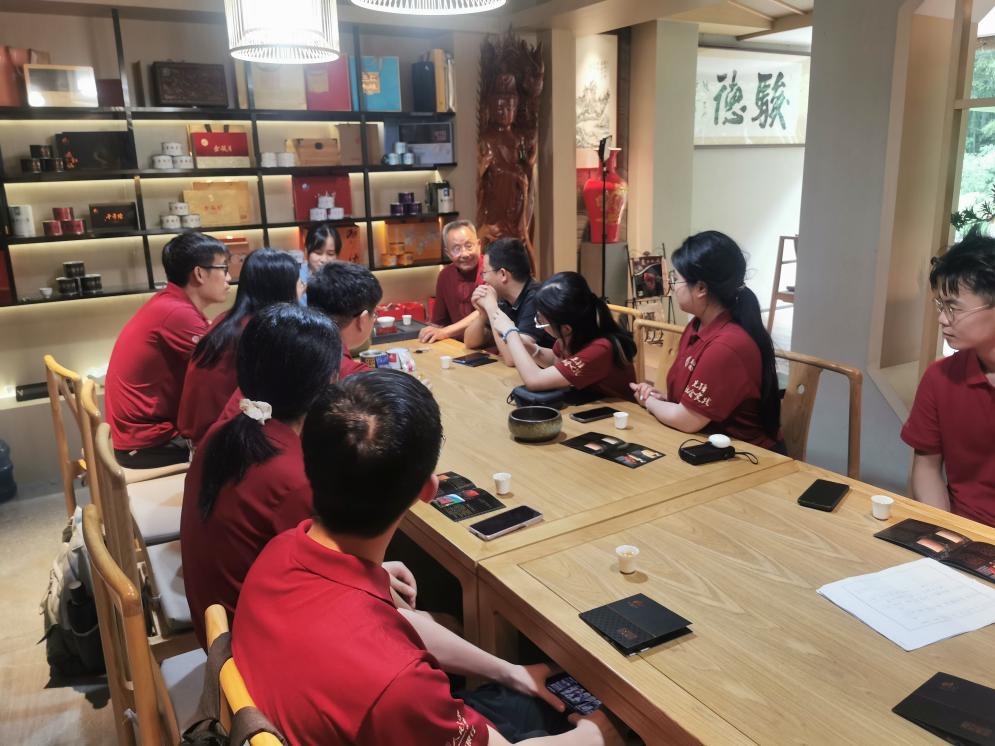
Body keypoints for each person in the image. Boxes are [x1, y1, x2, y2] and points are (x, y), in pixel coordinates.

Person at [233, 370, 625, 746]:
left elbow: (394, 626)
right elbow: (390, 665)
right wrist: (595, 737)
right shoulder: (398, 684)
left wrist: (511, 671)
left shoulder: (279, 551)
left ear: (309, 462)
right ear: (428, 490)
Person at [630, 231, 782, 451]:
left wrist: (649, 402)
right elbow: (690, 405)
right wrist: (659, 398)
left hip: (746, 456)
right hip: (702, 444)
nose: (673, 287)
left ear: (701, 288)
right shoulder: (697, 326)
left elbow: (687, 420)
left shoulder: (727, 345)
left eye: (676, 279)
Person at [104, 232, 229, 468]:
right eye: (223, 268)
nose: (229, 278)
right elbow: (226, 370)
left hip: (136, 435)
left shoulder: (169, 302)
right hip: (148, 444)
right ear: (199, 273)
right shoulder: (177, 313)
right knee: (247, 444)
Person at [902, 230, 995, 527]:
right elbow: (927, 467)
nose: (942, 319)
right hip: (962, 530)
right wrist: (945, 533)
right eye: (941, 306)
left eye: (953, 307)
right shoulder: (939, 378)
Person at [177, 249, 303, 447]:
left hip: (201, 437)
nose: (302, 286)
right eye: (297, 280)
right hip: (220, 444)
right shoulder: (262, 332)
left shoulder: (228, 320)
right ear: (282, 288)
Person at [486, 271, 637, 401]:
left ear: (566, 329)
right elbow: (556, 361)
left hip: (622, 417)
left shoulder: (601, 349)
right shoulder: (574, 334)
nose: (539, 321)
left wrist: (511, 333)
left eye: (542, 320)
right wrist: (531, 349)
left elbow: (534, 381)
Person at [464, 237, 554, 365]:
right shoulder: (503, 298)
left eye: (484, 272)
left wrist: (491, 308)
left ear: (503, 274)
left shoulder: (536, 299)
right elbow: (470, 342)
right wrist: (483, 314)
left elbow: (513, 358)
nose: (483, 279)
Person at [307, 261, 383, 379]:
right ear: (362, 320)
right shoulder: (357, 378)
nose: (374, 320)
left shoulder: (296, 346)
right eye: (374, 314)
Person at [418, 219, 482, 343]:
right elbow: (439, 322)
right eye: (456, 249)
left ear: (479, 245)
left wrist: (444, 332)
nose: (464, 254)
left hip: (490, 347)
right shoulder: (445, 276)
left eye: (469, 246)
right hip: (456, 346)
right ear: (448, 253)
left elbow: (484, 312)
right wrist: (428, 332)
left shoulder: (491, 270)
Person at [298, 222, 341, 304]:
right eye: (318, 253)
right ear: (306, 251)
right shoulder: (297, 279)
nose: (324, 260)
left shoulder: (342, 280)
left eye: (330, 254)